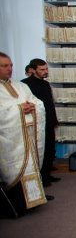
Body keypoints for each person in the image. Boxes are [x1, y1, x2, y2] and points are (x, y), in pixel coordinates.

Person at [0, 52, 47, 215]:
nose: (9, 69)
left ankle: (34, 201)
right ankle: (17, 204)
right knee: (15, 170)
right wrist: (19, 109)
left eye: (11, 65)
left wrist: (33, 106)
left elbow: (37, 102)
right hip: (10, 140)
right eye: (4, 66)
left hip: (27, 134)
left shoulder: (20, 86)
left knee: (31, 167)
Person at [21, 58, 60, 187]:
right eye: (42, 69)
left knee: (49, 149)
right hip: (36, 125)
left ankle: (47, 175)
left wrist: (54, 120)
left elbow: (49, 104)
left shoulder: (45, 84)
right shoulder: (25, 85)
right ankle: (40, 178)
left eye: (46, 69)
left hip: (48, 122)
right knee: (39, 150)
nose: (45, 72)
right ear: (33, 70)